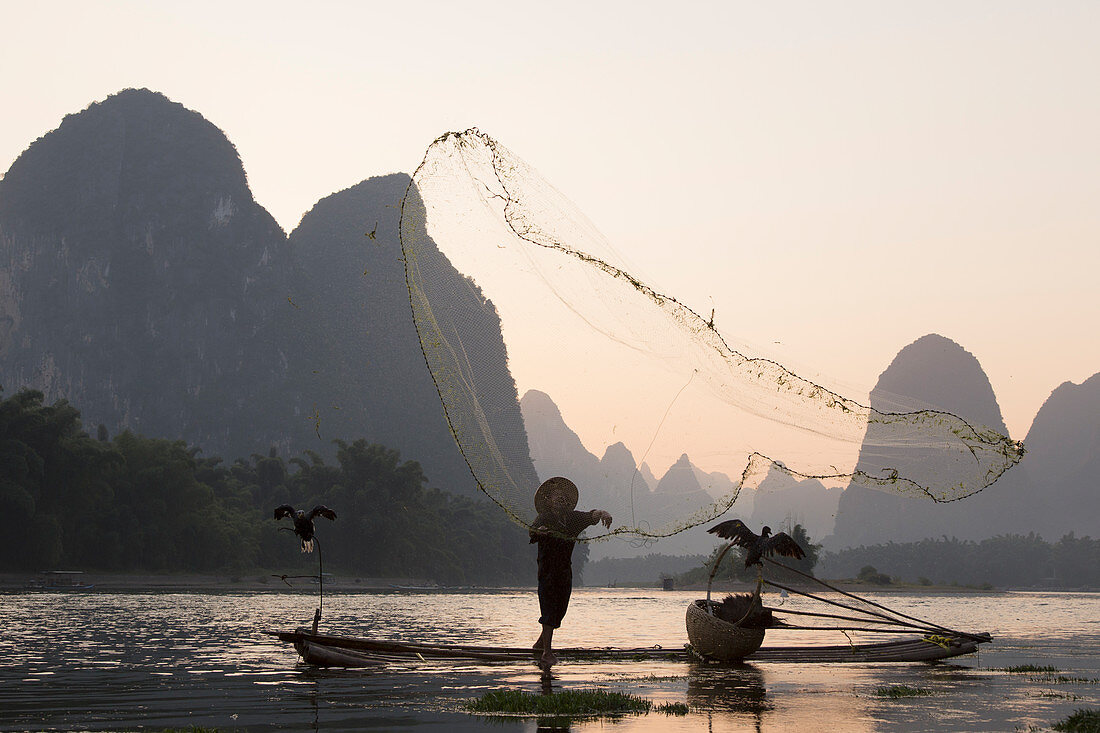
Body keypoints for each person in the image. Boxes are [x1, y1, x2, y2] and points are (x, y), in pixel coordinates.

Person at [529, 476, 612, 668]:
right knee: (549, 607)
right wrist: (540, 532)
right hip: (548, 570)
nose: (561, 499)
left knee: (561, 608)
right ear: (548, 500)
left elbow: (592, 515)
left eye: (563, 496)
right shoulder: (545, 518)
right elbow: (533, 531)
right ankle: (546, 653)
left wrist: (604, 513)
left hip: (565, 570)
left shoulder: (573, 519)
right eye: (556, 496)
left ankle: (540, 643)